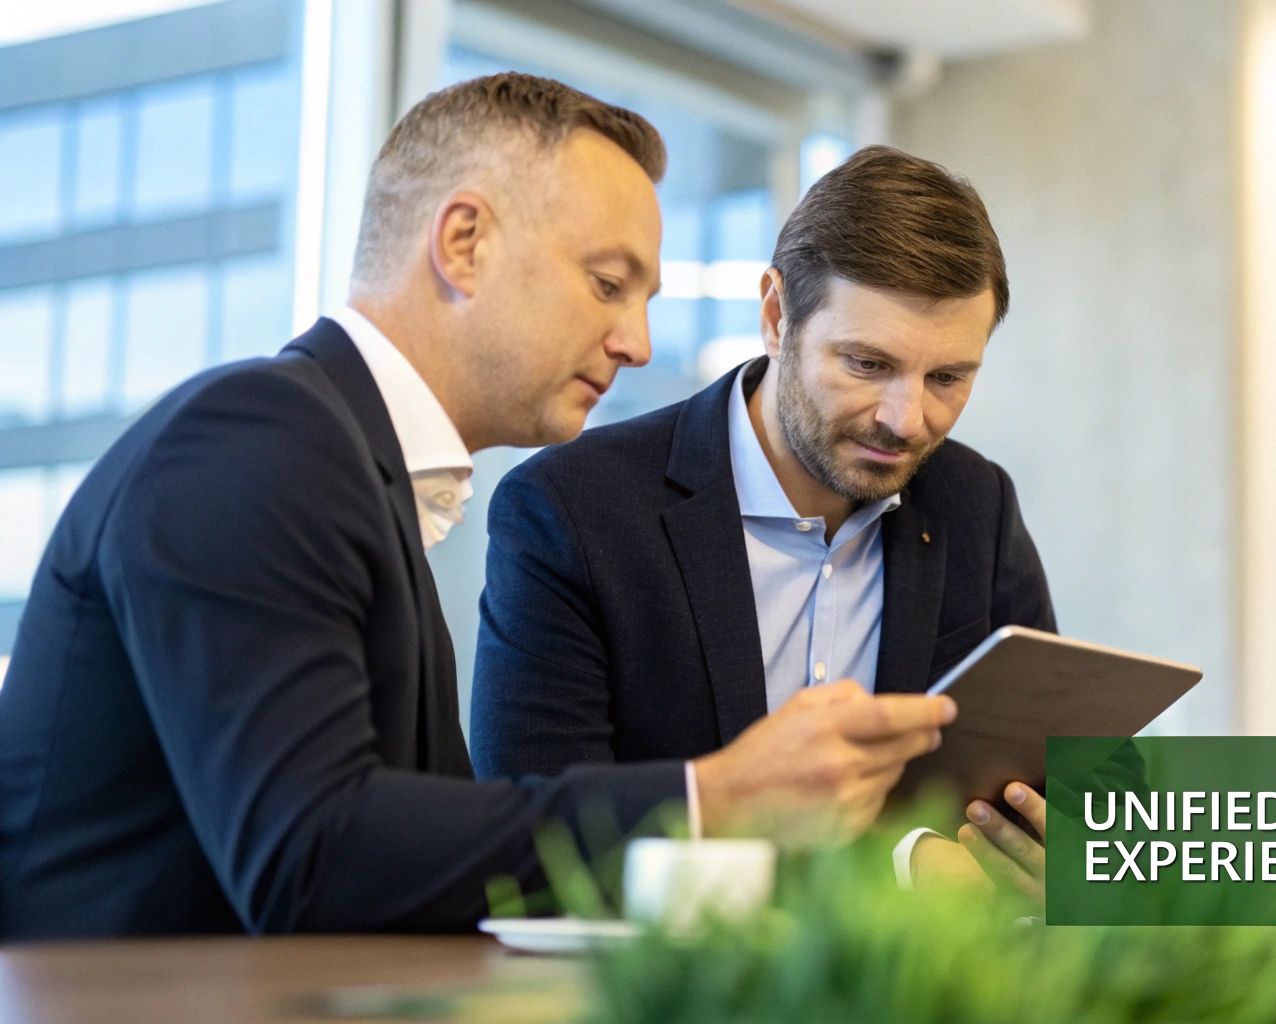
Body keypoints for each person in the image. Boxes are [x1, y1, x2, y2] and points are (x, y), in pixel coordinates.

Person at [0, 75, 955, 941]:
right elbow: (310, 859)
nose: (635, 341)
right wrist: (714, 796)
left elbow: (447, 863)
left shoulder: (353, 468)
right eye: (608, 283)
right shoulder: (257, 437)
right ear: (463, 243)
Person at [470, 145, 1054, 895]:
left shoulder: (977, 505)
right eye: (867, 365)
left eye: (947, 377)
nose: (907, 420)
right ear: (777, 317)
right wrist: (902, 872)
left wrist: (1054, 850)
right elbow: (544, 851)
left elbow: (1036, 780)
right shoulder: (570, 513)